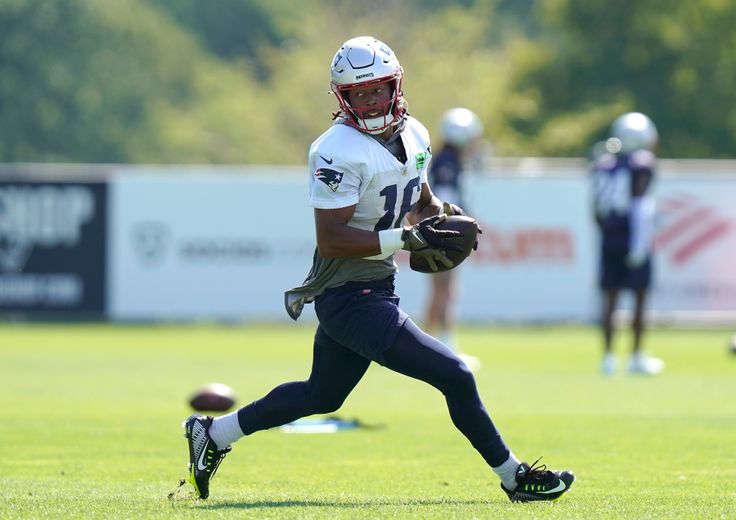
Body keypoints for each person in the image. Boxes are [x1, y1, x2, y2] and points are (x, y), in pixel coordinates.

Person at [180, 36, 574, 503]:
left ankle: (214, 433)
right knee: (455, 376)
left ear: (396, 86)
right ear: (342, 98)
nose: (369, 101)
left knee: (321, 396)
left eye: (376, 89)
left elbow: (418, 200)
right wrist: (406, 239)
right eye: (357, 93)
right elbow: (331, 237)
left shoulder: (417, 135)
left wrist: (444, 215)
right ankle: (515, 477)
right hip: (347, 294)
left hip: (376, 287)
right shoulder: (335, 149)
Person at [591, 111, 664, 376]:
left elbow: (596, 210)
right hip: (633, 236)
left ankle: (608, 359)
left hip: (610, 238)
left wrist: (606, 234)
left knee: (609, 300)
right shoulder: (642, 164)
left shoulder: (603, 164)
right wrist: (639, 244)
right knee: (639, 298)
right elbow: (641, 206)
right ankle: (636, 357)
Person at [424, 108, 484, 371]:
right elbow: (446, 200)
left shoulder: (448, 159)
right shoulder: (448, 162)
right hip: (443, 232)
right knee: (443, 291)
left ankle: (442, 345)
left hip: (441, 231)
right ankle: (427, 346)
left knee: (446, 290)